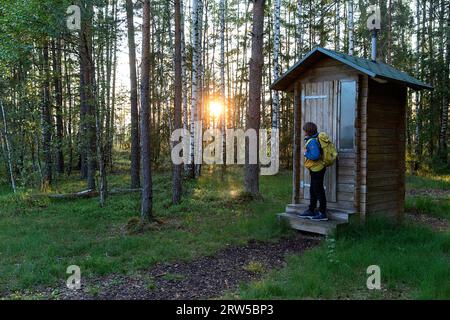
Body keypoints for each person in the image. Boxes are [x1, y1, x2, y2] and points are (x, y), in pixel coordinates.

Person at [298, 122, 328, 221]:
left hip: (317, 169)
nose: (303, 132)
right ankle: (311, 210)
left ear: (308, 131)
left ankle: (322, 213)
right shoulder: (312, 140)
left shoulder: (312, 142)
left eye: (304, 130)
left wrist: (306, 153)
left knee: (318, 190)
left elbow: (315, 156)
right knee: (313, 189)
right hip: (315, 169)